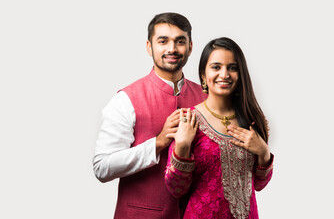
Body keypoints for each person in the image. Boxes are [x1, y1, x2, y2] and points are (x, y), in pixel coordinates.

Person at [93, 12, 207, 218]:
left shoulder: (206, 98)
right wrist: (158, 142)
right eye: (163, 41)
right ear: (149, 47)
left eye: (180, 41)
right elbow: (102, 168)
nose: (171, 49)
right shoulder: (126, 99)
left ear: (190, 47)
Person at [164, 37, 274, 219]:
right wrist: (182, 147)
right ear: (203, 75)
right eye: (216, 67)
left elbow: (259, 185)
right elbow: (176, 189)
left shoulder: (252, 120)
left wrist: (263, 153)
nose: (224, 75)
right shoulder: (189, 120)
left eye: (232, 68)